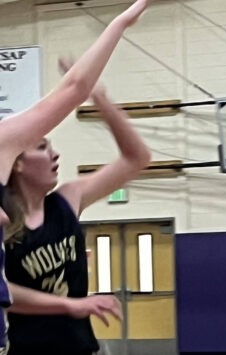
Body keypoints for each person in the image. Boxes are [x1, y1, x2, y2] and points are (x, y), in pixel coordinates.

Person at [0, 0, 148, 353]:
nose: (54, 154)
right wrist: (70, 304)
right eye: (41, 147)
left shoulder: (64, 201)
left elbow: (76, 88)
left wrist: (124, 19)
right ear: (18, 163)